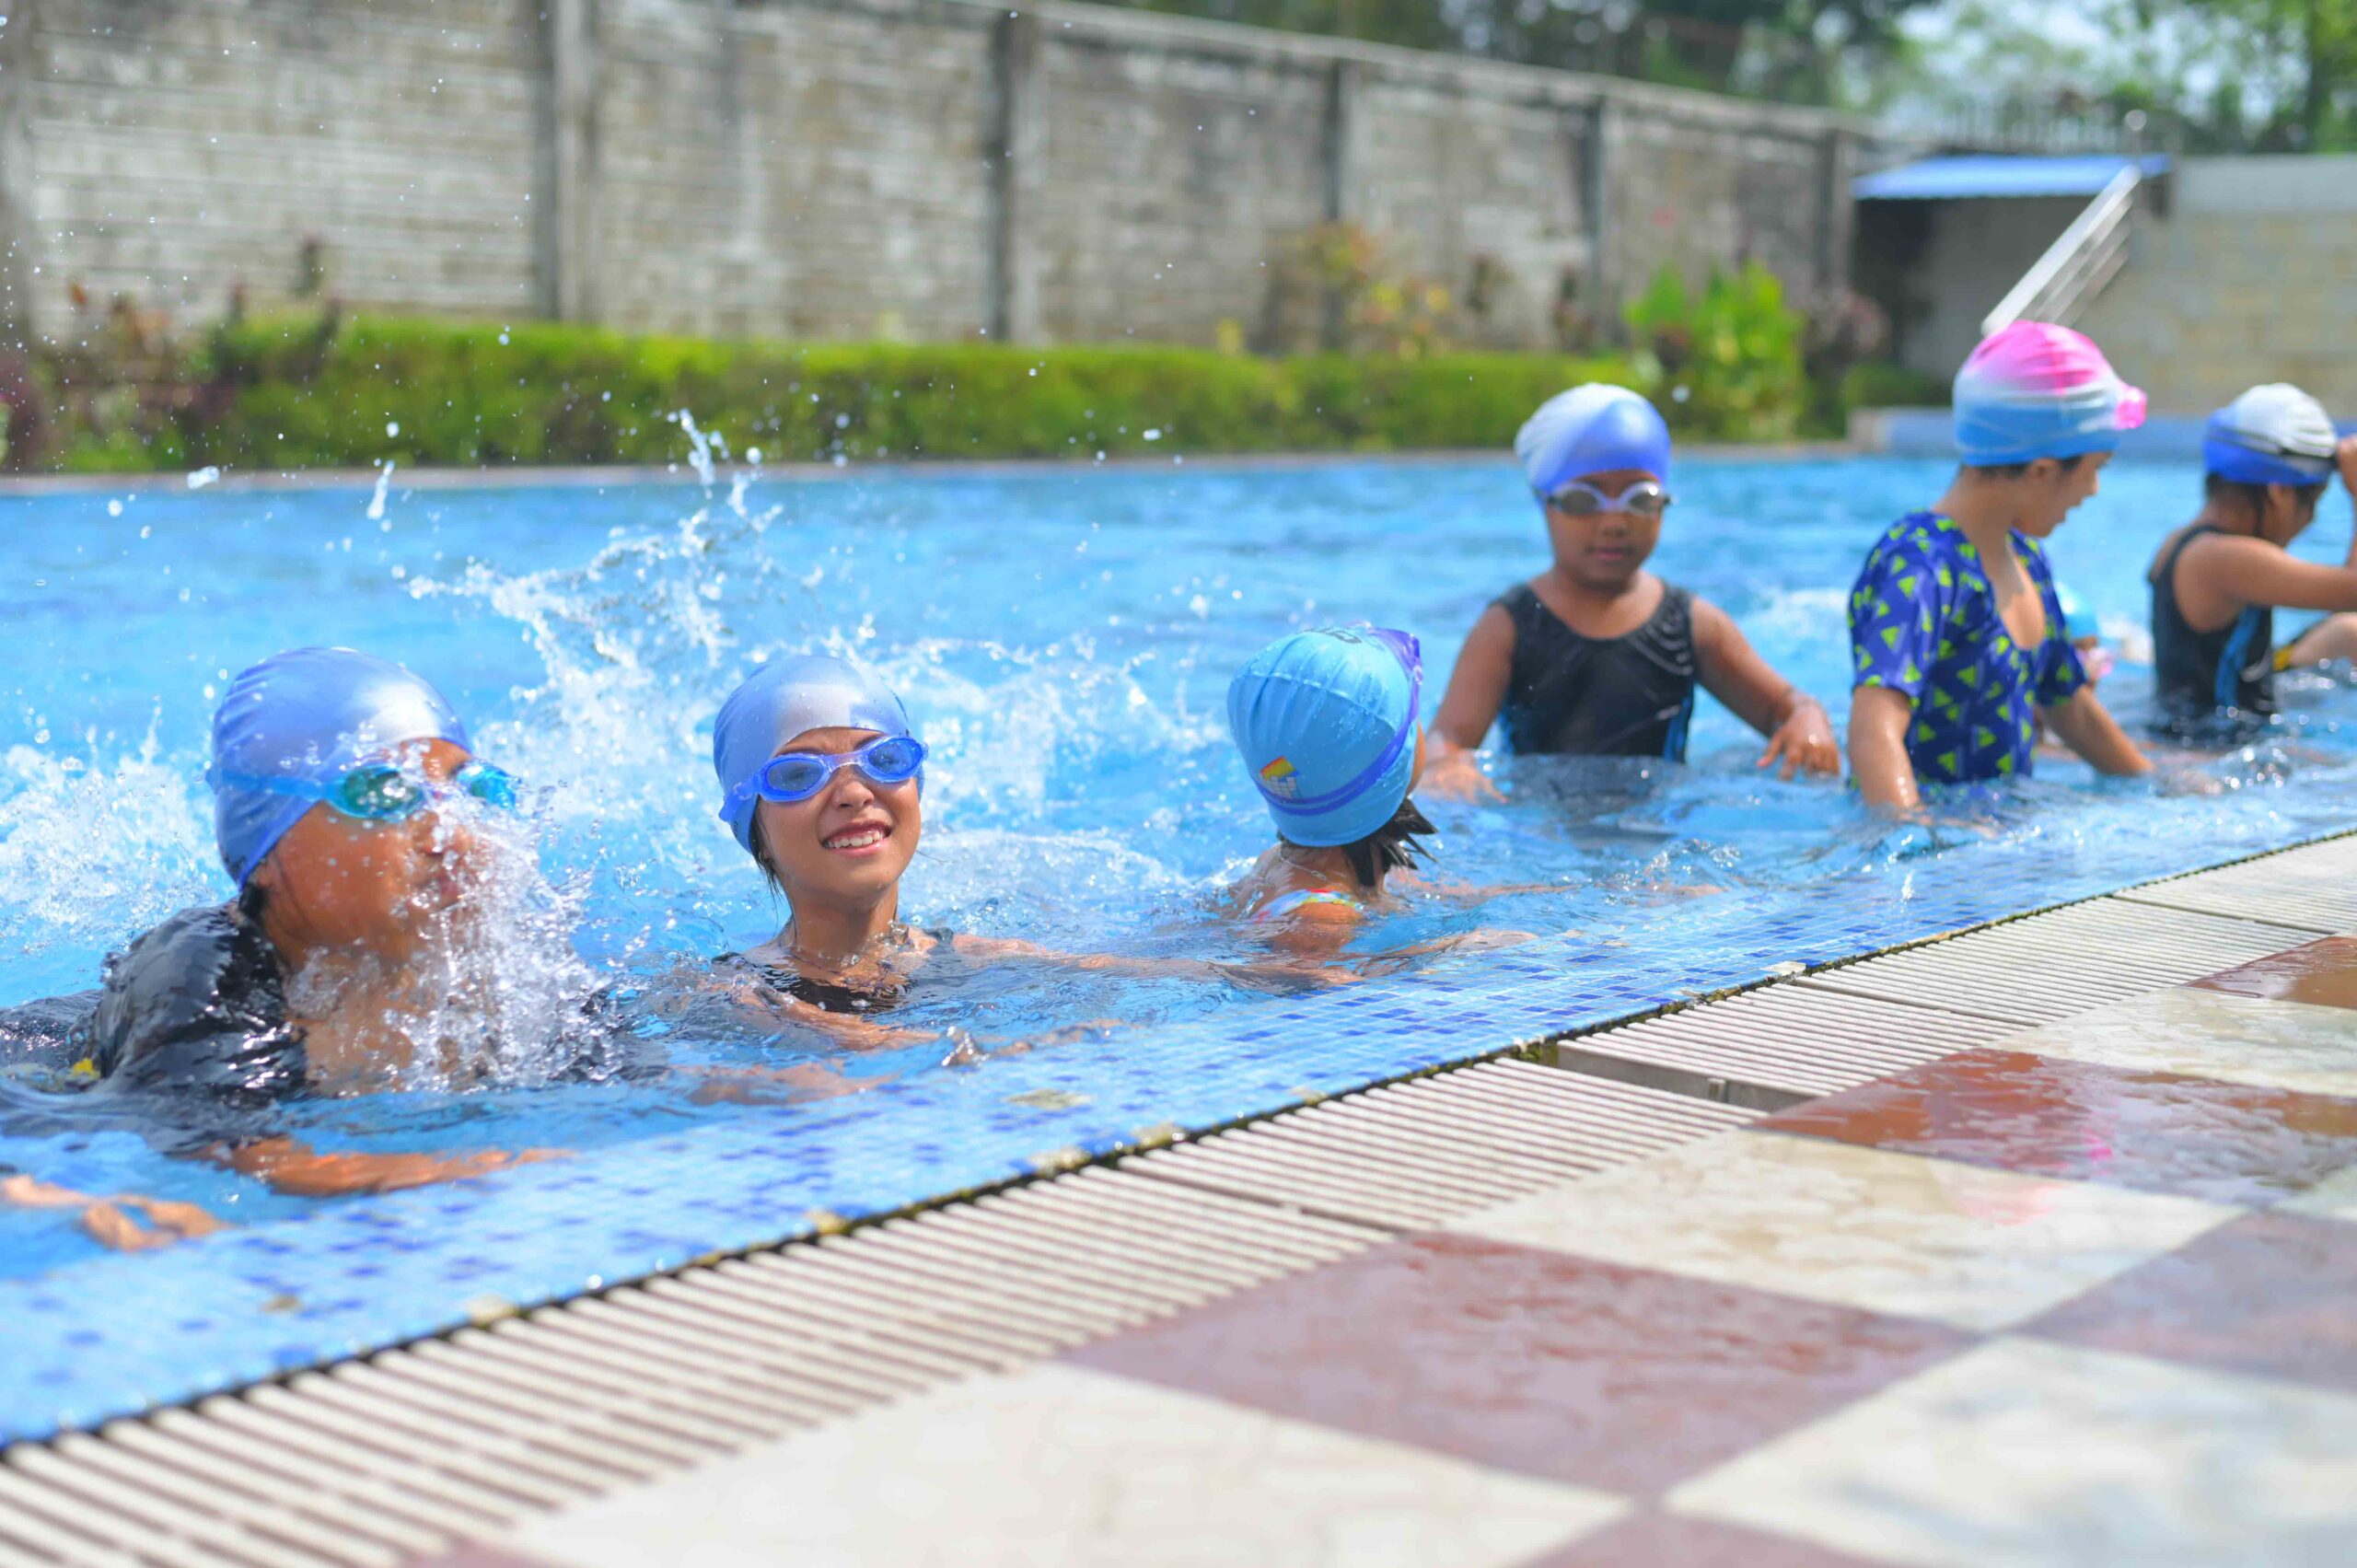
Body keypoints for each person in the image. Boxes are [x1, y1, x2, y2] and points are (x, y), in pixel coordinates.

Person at [0, 646, 576, 1237]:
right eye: (385, 795)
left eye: (463, 787)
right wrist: (448, 1172)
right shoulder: (203, 973)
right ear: (269, 852)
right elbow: (214, 1138)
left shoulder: (494, 963)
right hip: (33, 1077)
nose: (448, 831)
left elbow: (613, 1061)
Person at [709, 654, 1306, 1035]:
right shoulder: (732, 993)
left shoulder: (975, 955)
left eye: (884, 760)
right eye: (798, 775)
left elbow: (1164, 974)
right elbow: (850, 1061)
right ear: (751, 823)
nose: (852, 791)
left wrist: (1314, 975)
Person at [1424, 384, 1839, 799]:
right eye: (1583, 500)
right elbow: (1450, 737)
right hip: (1539, 826)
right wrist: (1450, 768)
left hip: (1658, 832)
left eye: (1640, 499)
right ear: (1543, 503)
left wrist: (1807, 717)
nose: (1615, 521)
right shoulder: (1507, 627)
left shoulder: (1694, 624)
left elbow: (1784, 707)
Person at [1847, 322, 2153, 812]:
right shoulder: (1921, 567)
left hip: (1999, 831)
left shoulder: (2025, 558)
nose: (2093, 490)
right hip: (1937, 843)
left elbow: (2069, 705)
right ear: (2041, 472)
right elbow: (1873, 730)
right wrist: (1913, 837)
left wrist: (2151, 785)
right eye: (2094, 470)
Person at [2147, 384, 2357, 736]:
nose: (2311, 520)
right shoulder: (2226, 559)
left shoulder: (2185, 543)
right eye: (2313, 502)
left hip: (2204, 720)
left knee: (2349, 633)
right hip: (2210, 746)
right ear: (2280, 492)